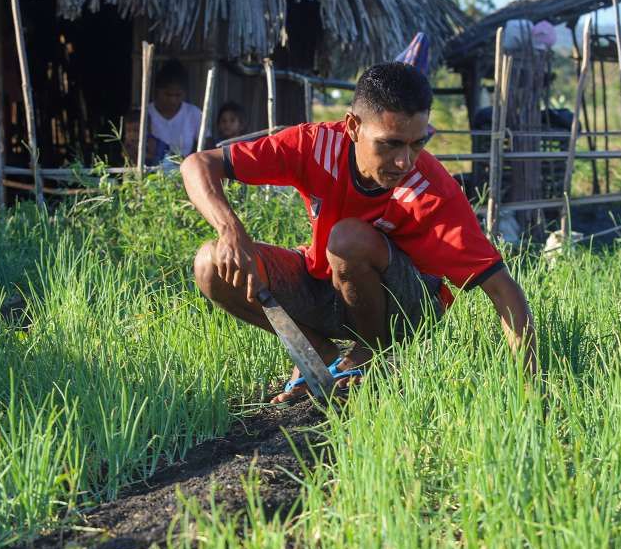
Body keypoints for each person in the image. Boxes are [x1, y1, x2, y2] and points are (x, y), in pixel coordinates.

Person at [181, 62, 536, 403]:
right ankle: (316, 351)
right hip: (328, 285)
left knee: (347, 239)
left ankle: (375, 354)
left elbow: (502, 288)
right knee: (210, 264)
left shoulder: (431, 189)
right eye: (390, 143)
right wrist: (230, 229)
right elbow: (198, 164)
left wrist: (531, 390)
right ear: (352, 127)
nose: (404, 162)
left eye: (418, 144)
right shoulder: (314, 146)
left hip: (406, 308)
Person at [147, 59, 204, 156]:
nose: (172, 100)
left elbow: (206, 146)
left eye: (178, 95)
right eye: (167, 94)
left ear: (185, 93)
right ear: (157, 90)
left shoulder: (194, 113)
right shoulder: (145, 113)